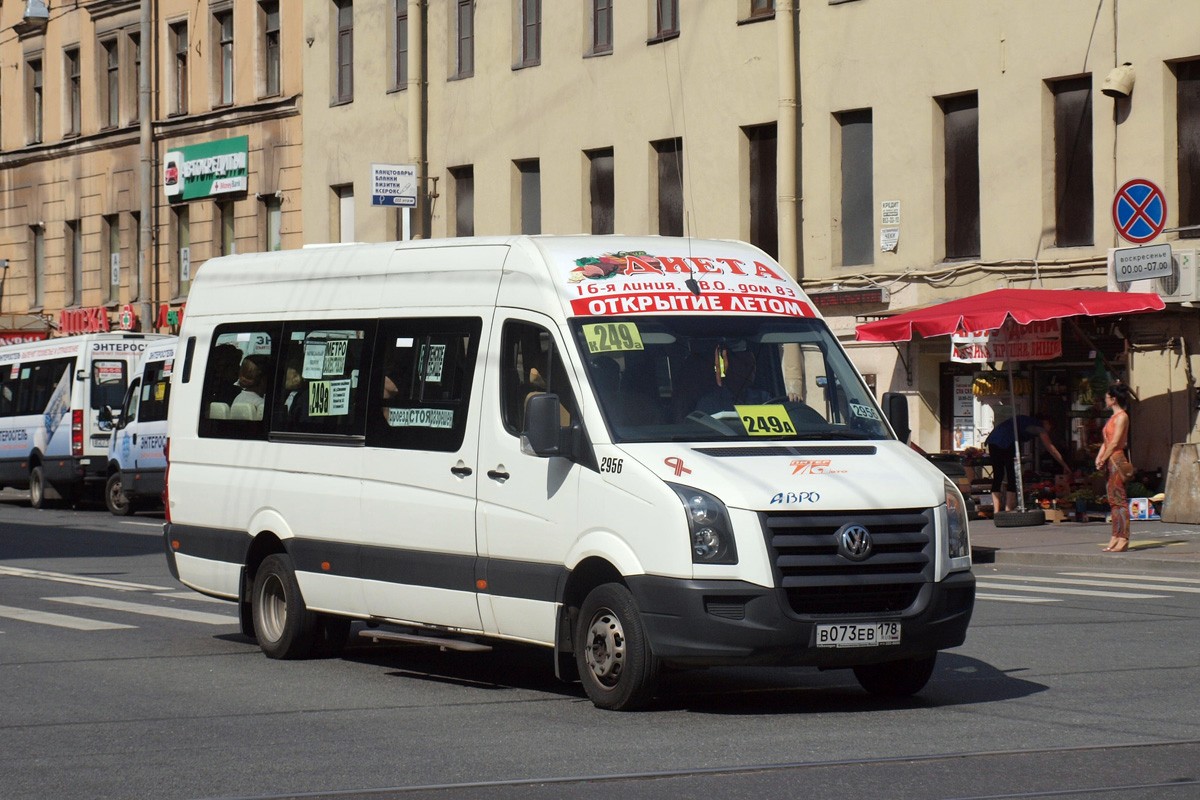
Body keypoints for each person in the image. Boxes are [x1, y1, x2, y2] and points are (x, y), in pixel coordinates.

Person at [985, 414, 1070, 513]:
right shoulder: (1039, 427)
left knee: (998, 474)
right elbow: (1051, 448)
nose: (1049, 430)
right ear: (1046, 422)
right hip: (1008, 442)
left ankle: (996, 510)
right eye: (1050, 427)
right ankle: (1008, 508)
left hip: (993, 441)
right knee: (1011, 474)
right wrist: (1064, 465)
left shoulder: (1026, 421)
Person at [1094, 383, 1133, 552]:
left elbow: (1116, 442)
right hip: (1110, 457)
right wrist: (1099, 456)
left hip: (1116, 458)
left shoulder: (1122, 416)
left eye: (1107, 397)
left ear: (1114, 399)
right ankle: (1115, 535)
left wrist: (1104, 456)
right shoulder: (1111, 418)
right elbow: (1106, 441)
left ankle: (1123, 537)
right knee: (1113, 500)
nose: (1105, 399)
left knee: (1119, 500)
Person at [694, 348, 769, 414]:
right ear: (729, 367)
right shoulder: (709, 403)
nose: (751, 370)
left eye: (753, 365)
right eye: (746, 365)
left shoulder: (763, 399)